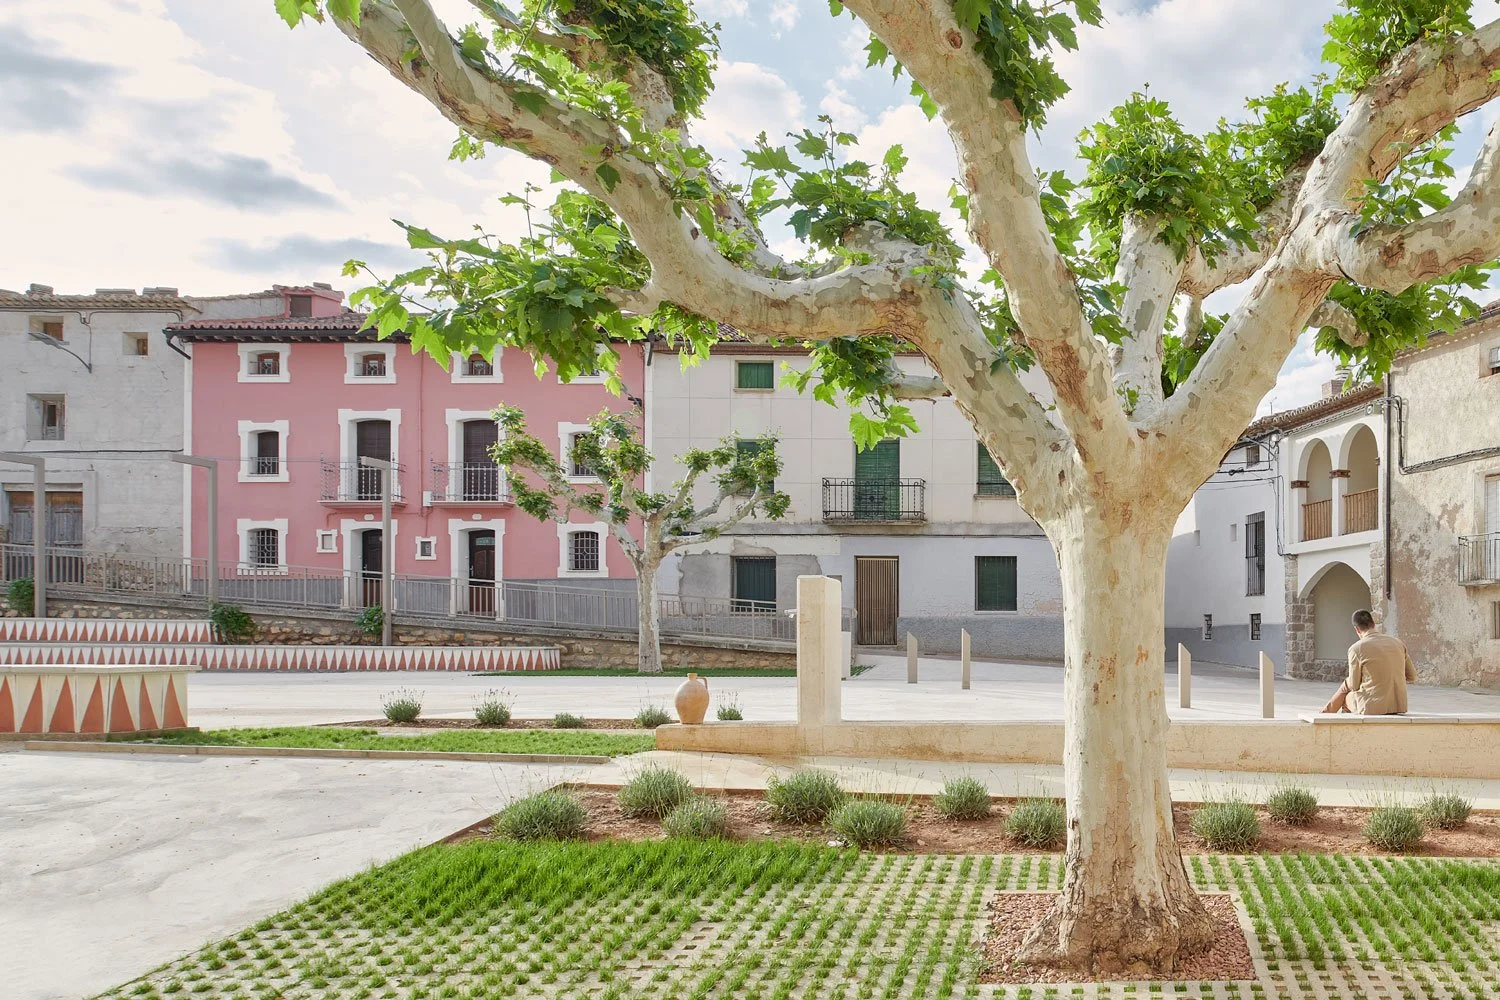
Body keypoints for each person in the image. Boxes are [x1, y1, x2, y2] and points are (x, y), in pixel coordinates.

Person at [1321, 609, 1417, 715]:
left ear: (1357, 629)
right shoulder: (1398, 643)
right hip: (1398, 705)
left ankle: (1325, 714)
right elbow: (1412, 676)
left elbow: (1354, 685)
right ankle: (1325, 712)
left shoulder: (1356, 648)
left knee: (1346, 694)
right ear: (1374, 624)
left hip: (1371, 706)